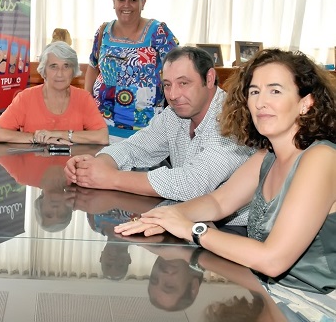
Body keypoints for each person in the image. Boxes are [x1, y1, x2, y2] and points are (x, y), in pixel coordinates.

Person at [116, 49, 336, 297]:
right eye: (254, 91)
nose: (261, 102)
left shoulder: (321, 159)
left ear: (306, 102)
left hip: (312, 300)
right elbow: (218, 202)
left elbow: (273, 260)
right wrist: (163, 217)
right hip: (265, 291)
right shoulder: (267, 156)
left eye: (275, 90)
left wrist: (193, 230)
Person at [66, 47, 254, 233]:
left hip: (234, 229)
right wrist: (95, 166)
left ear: (210, 78)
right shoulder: (175, 113)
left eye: (183, 83)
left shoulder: (233, 119)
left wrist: (112, 178)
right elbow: (135, 146)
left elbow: (194, 183)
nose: (173, 95)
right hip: (183, 216)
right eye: (167, 85)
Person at [85, 0, 179, 142]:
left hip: (147, 129)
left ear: (143, 2)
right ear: (114, 2)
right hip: (102, 126)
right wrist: (87, 103)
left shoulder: (158, 32)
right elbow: (93, 67)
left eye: (133, 0)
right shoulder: (103, 31)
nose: (126, 5)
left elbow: (179, 68)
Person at [0, 41, 109, 144]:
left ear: (73, 71)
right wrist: (36, 138)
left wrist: (59, 134)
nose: (60, 73)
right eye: (53, 66)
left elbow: (102, 137)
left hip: (72, 167)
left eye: (66, 66)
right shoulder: (26, 97)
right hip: (33, 167)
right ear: (43, 71)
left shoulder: (83, 98)